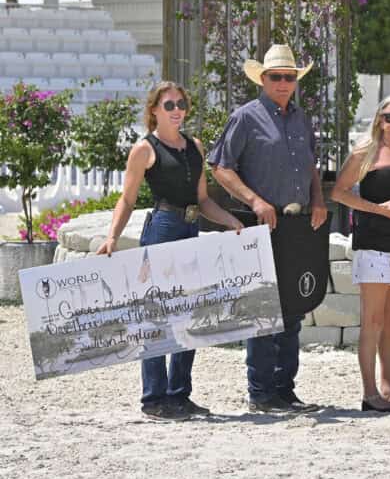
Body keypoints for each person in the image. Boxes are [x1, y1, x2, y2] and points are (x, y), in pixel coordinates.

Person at [97, 81, 244, 421]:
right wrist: (112, 237)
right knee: (156, 315)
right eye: (168, 105)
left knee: (189, 312)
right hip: (163, 228)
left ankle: (179, 395)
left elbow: (204, 200)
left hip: (191, 228)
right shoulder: (144, 149)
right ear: (154, 110)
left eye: (181, 103)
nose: (176, 109)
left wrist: (230, 222)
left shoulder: (194, 146)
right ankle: (154, 398)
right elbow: (127, 199)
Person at [208, 44, 329, 415]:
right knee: (262, 310)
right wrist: (255, 200)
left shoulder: (301, 119)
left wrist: (319, 200)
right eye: (276, 77)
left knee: (292, 309)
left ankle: (284, 389)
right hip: (260, 223)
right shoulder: (245, 118)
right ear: (262, 79)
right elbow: (220, 167)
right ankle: (261, 392)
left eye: (289, 77)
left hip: (296, 224)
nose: (283, 82)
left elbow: (311, 167)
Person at [330, 94, 390, 412]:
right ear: (379, 119)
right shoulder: (365, 152)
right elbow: (339, 193)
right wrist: (377, 209)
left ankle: (389, 389)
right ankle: (370, 394)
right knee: (372, 319)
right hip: (374, 244)